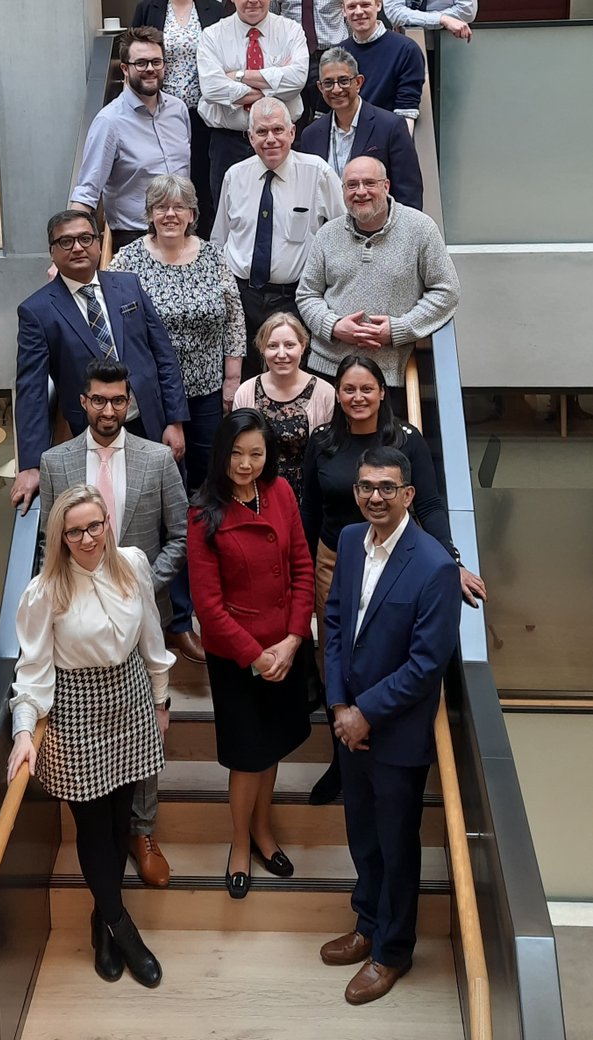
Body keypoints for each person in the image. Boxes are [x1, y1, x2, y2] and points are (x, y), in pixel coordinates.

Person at [7, 485, 175, 988]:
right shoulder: (44, 590)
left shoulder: (133, 563)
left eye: (93, 526)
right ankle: (122, 928)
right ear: (60, 534)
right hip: (77, 709)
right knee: (92, 827)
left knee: (121, 820)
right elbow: (33, 669)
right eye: (74, 530)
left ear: (107, 522)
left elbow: (151, 633)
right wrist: (23, 731)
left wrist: (162, 699)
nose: (86, 538)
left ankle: (101, 925)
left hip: (129, 697)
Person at [301, 354, 487, 804]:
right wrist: (302, 573)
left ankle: (377, 740)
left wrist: (453, 560)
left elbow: (431, 506)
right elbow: (309, 511)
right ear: (338, 394)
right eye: (349, 389)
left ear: (382, 392)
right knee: (336, 658)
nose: (358, 397)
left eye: (367, 389)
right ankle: (341, 754)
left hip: (396, 563)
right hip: (336, 558)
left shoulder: (407, 440)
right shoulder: (322, 441)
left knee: (385, 655)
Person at [39, 359, 191, 887]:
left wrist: (139, 584)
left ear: (130, 403)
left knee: (145, 734)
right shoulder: (55, 462)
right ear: (82, 402)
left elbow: (180, 536)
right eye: (98, 400)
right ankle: (106, 838)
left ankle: (142, 831)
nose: (109, 410)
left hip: (141, 616)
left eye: (118, 401)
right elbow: (47, 546)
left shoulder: (157, 458)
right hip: (77, 629)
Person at [320, 448, 461, 1005]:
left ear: (407, 495)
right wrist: (336, 705)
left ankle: (392, 952)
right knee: (363, 836)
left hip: (395, 733)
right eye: (365, 487)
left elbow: (427, 664)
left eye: (387, 488)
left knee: (398, 845)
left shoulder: (434, 565)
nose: (374, 497)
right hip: (347, 724)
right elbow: (333, 621)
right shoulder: (352, 541)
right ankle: (367, 923)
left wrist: (364, 712)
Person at [109, 174, 245, 660]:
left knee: (207, 497)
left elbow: (233, 318)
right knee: (164, 502)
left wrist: (233, 382)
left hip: (209, 395)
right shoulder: (126, 261)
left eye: (179, 207)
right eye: (160, 207)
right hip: (151, 403)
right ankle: (177, 614)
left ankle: (212, 603)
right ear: (148, 214)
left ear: (192, 213)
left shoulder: (211, 256)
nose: (170, 214)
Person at [188, 410, 314, 899]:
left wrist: (294, 638)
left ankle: (265, 830)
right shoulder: (204, 511)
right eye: (237, 453)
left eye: (256, 454)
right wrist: (257, 656)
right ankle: (240, 843)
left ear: (269, 455)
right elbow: (208, 606)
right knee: (247, 756)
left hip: (285, 647)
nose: (246, 463)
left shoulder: (281, 494)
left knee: (274, 746)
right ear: (222, 454)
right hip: (240, 659)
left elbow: (302, 566)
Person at [11, 209, 188, 513]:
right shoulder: (36, 312)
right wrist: (30, 464)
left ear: (98, 242)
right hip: (93, 433)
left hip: (150, 422)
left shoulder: (128, 285)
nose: (77, 247)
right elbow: (32, 391)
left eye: (85, 238)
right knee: (107, 512)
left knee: (164, 511)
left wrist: (174, 420)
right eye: (65, 242)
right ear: (52, 251)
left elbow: (164, 355)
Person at [296, 156, 460, 391]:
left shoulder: (421, 229)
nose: (360, 192)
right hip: (327, 371)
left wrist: (398, 329)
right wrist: (333, 326)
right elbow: (307, 294)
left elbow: (447, 291)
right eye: (352, 185)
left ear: (386, 186)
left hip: (387, 375)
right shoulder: (327, 234)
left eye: (369, 183)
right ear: (343, 191)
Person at [211, 96, 343, 378]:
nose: (270, 139)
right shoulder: (235, 176)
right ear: (250, 136)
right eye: (261, 131)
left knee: (292, 381)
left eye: (278, 130)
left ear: (292, 132)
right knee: (244, 382)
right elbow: (220, 241)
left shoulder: (317, 172)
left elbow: (344, 236)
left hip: (293, 299)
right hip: (241, 299)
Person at [197, 0, 309, 208]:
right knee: (230, 216)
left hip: (282, 140)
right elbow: (212, 88)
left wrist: (236, 75)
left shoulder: (291, 31)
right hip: (230, 143)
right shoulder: (212, 35)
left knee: (289, 212)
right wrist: (276, 83)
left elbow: (298, 79)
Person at [69, 26, 190, 251]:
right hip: (135, 240)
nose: (150, 69)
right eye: (141, 63)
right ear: (125, 68)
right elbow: (87, 191)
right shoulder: (109, 122)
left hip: (182, 235)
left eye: (156, 62)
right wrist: (67, 246)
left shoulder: (179, 111)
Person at [133, 0, 223, 234]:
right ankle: (168, 232)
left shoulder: (213, 9)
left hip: (205, 110)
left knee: (202, 177)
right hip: (164, 111)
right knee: (169, 175)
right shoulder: (149, 8)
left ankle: (202, 236)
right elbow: (136, 55)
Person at [300, 47, 423, 210]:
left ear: (358, 82)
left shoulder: (391, 126)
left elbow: (408, 192)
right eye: (328, 83)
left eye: (343, 80)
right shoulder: (311, 135)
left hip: (379, 230)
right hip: (327, 230)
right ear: (320, 87)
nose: (336, 89)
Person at [233, 312, 335, 505]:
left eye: (289, 345)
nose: (281, 354)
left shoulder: (324, 393)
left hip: (309, 495)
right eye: (272, 346)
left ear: (303, 346)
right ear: (262, 349)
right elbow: (237, 451)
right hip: (256, 492)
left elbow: (330, 454)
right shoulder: (245, 391)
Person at [340, 0, 426, 132]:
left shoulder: (406, 50)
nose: (359, 12)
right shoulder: (337, 54)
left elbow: (406, 114)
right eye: (352, 6)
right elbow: (325, 113)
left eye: (365, 4)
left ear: (379, 5)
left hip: (384, 140)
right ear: (343, 10)